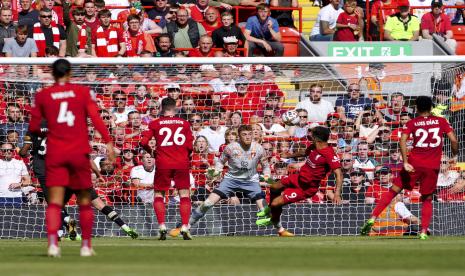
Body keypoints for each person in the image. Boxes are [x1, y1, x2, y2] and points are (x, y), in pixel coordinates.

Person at [28, 59, 116, 257]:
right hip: (78, 153)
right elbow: (96, 119)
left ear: (53, 74)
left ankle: (53, 244)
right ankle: (85, 246)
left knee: (55, 202)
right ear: (69, 73)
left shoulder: (43, 95)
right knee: (84, 201)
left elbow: (33, 127)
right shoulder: (82, 92)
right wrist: (109, 142)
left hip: (56, 154)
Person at [360, 96, 458, 240]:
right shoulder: (441, 121)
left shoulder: (412, 122)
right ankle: (424, 231)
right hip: (431, 166)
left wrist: (405, 161)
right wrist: (455, 156)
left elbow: (403, 140)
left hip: (413, 164)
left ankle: (372, 218)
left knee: (393, 190)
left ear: (416, 108)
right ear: (431, 108)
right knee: (427, 199)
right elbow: (454, 140)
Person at [170, 124, 271, 237]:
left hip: (250, 181)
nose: (248, 137)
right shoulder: (231, 147)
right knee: (208, 203)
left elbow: (266, 165)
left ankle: (280, 230)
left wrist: (267, 175)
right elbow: (221, 161)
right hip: (231, 180)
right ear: (239, 136)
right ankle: (185, 226)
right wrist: (217, 171)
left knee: (264, 208)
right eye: (244, 134)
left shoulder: (259, 148)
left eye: (250, 134)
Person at [256, 126, 343, 236]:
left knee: (275, 203)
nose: (309, 136)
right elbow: (304, 153)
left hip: (306, 188)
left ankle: (274, 217)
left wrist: (337, 193)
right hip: (298, 178)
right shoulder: (314, 146)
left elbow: (339, 174)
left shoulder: (329, 154)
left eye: (311, 134)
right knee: (274, 187)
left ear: (316, 138)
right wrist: (289, 155)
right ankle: (271, 210)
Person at [141, 97, 194, 240]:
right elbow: (190, 146)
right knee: (184, 194)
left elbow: (143, 141)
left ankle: (162, 226)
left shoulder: (155, 123)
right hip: (181, 162)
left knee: (159, 195)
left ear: (161, 108)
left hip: (163, 162)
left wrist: (151, 151)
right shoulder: (184, 123)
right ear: (175, 107)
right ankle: (184, 226)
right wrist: (184, 155)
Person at [0, 142, 32, 206]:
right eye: (5, 150)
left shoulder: (20, 163)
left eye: (11, 150)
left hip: (16, 198)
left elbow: (29, 181)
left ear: (13, 151)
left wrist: (19, 184)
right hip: (1, 197)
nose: (8, 151)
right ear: (1, 151)